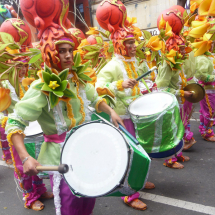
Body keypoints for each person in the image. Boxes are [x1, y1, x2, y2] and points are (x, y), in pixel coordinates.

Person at [5, 26, 125, 215]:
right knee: (70, 205)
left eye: (70, 50)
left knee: (89, 199)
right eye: (62, 51)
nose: (68, 55)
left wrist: (111, 111)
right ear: (50, 53)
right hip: (61, 156)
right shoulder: (41, 87)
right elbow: (14, 122)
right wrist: (25, 157)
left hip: (87, 150)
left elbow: (95, 98)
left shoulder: (78, 78)